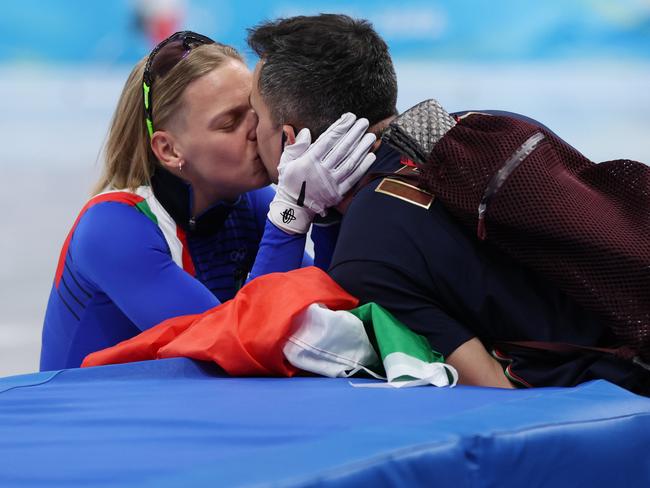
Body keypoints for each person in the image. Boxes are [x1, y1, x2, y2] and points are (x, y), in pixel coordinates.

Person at [246, 14, 650, 394]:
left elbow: (494, 386)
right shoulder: (493, 124)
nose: (249, 130)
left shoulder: (367, 252)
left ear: (288, 139)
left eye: (254, 115)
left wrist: (291, 215)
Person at [40, 31, 376, 371]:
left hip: (167, 406)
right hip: (87, 419)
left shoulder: (250, 202)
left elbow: (333, 307)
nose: (256, 130)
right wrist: (293, 212)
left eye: (255, 110)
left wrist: (329, 213)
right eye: (230, 122)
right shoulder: (113, 228)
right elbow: (232, 348)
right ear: (170, 151)